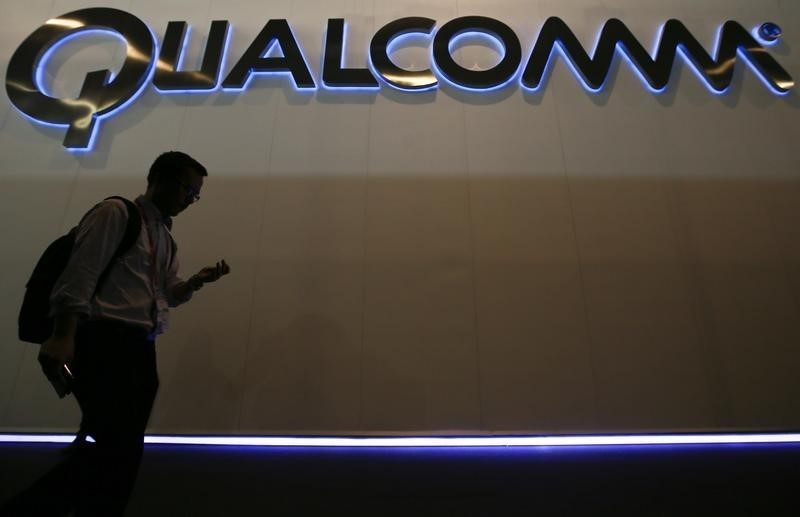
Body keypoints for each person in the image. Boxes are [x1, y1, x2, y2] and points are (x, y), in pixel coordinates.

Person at [0, 151, 230, 516]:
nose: (191, 200)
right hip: (103, 343)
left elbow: (166, 294)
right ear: (160, 180)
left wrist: (195, 284)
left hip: (140, 349)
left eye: (195, 194)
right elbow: (80, 274)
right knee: (117, 446)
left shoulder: (165, 238)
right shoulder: (116, 213)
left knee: (123, 447)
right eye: (189, 189)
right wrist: (63, 334)